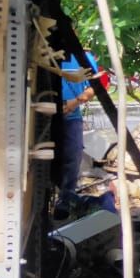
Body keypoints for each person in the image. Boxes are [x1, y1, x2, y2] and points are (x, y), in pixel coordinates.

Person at [55, 50, 99, 219]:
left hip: (71, 116)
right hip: (45, 114)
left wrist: (75, 102)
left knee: (72, 157)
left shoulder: (84, 58)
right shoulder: (48, 55)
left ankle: (64, 201)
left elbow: (93, 87)